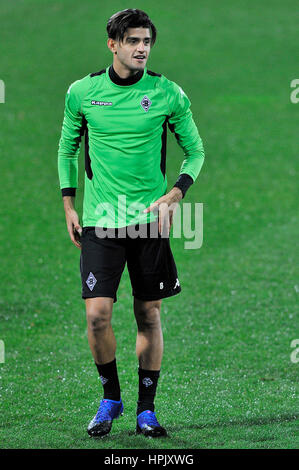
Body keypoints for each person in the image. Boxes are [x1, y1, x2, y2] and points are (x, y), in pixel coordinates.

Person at [58, 8, 205, 438]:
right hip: (100, 219)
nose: (142, 49)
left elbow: (195, 151)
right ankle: (110, 398)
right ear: (114, 44)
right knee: (98, 316)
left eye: (147, 42)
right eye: (134, 41)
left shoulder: (167, 93)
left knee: (149, 314)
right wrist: (68, 204)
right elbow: (67, 148)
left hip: (147, 221)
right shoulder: (83, 92)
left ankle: (146, 409)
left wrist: (176, 193)